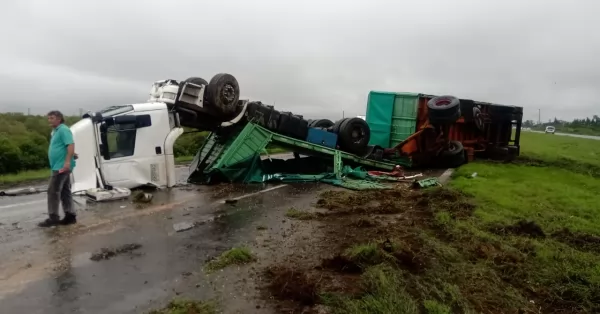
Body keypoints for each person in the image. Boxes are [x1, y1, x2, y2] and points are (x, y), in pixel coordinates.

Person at [38, 110, 77, 227]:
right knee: (65, 191)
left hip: (61, 167)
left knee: (53, 191)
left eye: (52, 118)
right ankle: (70, 216)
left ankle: (53, 217)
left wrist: (67, 161)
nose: (49, 120)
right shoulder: (55, 131)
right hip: (58, 165)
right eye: (49, 118)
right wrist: (72, 155)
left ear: (59, 119)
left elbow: (70, 144)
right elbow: (64, 146)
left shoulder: (63, 130)